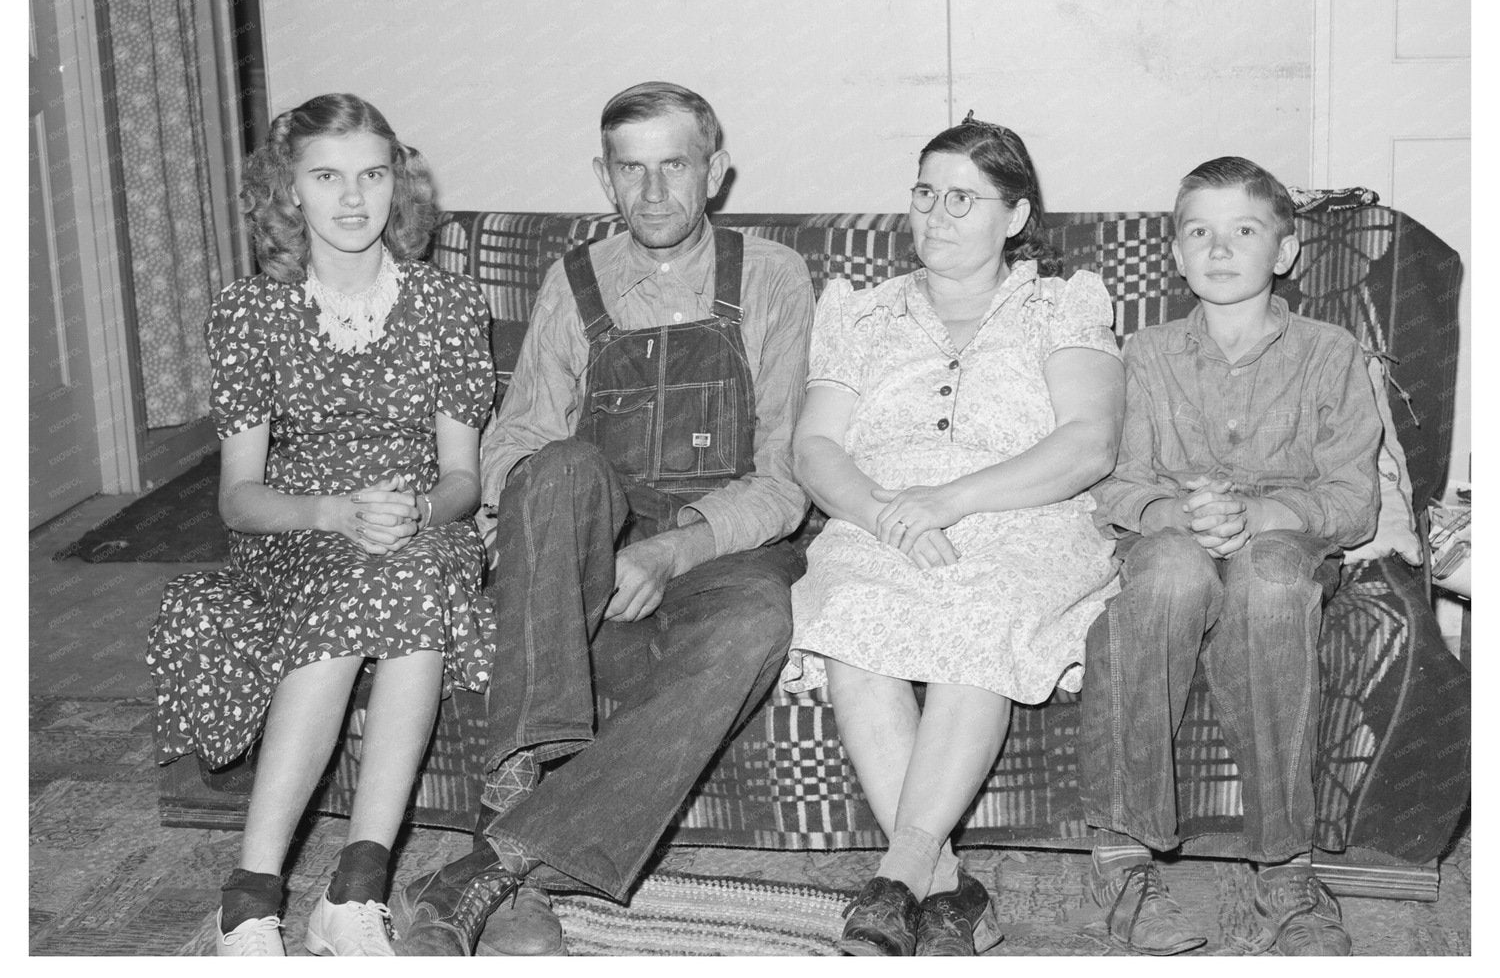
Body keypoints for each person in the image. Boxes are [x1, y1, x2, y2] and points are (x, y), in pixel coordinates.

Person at [392, 82, 815, 956]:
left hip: (721, 552)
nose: (653, 192)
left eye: (675, 166)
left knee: (757, 625)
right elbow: (512, 445)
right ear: (603, 176)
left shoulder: (772, 276)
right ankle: (517, 775)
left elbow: (785, 478)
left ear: (715, 172)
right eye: (631, 169)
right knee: (558, 464)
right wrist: (559, 541)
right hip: (592, 566)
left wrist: (673, 548)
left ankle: (496, 858)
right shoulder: (573, 279)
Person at [147, 93, 496, 956]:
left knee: (407, 570)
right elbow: (239, 497)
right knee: (367, 586)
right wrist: (332, 514)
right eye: (326, 176)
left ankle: (344, 892)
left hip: (418, 526)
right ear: (288, 190)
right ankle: (261, 900)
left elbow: (462, 477)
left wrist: (420, 509)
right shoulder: (250, 312)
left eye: (372, 174)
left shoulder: (449, 304)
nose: (352, 197)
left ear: (397, 185)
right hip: (295, 531)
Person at [782, 115, 1125, 955]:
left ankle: (899, 871)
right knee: (854, 609)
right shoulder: (862, 313)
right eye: (925, 193)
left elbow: (1090, 443)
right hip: (881, 515)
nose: (936, 215)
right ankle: (949, 892)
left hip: (1022, 518)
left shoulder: (1061, 305)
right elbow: (815, 446)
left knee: (982, 609)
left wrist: (951, 500)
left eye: (963, 199)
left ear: (1016, 215)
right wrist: (882, 513)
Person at [1080, 156, 1382, 956]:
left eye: (1244, 230)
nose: (1219, 249)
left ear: (1285, 251)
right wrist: (1174, 513)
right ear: (1176, 254)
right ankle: (1122, 855)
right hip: (1173, 534)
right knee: (1169, 573)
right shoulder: (1145, 354)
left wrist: (1261, 516)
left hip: (1283, 538)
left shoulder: (1331, 351)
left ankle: (1284, 864)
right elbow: (1118, 484)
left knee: (1272, 579)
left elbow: (1353, 500)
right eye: (1199, 232)